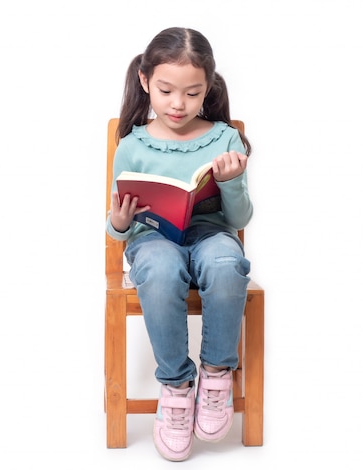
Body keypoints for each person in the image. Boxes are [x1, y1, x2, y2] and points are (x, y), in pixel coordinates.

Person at [106, 27, 253, 462]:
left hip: (211, 233)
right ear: (145, 81)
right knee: (161, 268)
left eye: (192, 93)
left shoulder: (223, 137)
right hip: (153, 238)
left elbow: (239, 219)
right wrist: (118, 223)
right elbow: (120, 229)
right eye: (167, 90)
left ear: (208, 88)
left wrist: (230, 183)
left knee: (228, 262)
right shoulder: (132, 146)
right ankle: (175, 384)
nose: (178, 104)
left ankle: (216, 373)